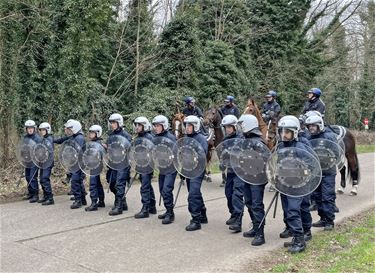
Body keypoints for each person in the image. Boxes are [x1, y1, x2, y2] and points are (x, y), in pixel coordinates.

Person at [276, 115, 313, 253]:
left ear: (295, 132)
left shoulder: (301, 146)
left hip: (299, 185)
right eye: (282, 131)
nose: (283, 135)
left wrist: (299, 172)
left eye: (287, 132)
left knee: (293, 211)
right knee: (289, 210)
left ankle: (300, 240)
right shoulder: (280, 146)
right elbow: (278, 163)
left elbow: (311, 165)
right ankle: (298, 235)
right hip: (285, 184)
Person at [238, 114, 268, 246]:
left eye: (242, 125)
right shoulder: (244, 140)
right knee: (249, 203)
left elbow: (267, 160)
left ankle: (260, 233)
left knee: (256, 204)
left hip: (257, 179)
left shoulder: (259, 143)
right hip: (247, 177)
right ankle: (255, 227)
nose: (240, 127)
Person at [305, 115, 338, 231]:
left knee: (327, 196)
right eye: (309, 126)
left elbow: (336, 152)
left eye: (313, 125)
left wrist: (327, 159)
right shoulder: (308, 138)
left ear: (319, 125)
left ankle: (329, 221)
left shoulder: (329, 136)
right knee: (316, 196)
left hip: (328, 171)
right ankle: (323, 218)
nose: (311, 128)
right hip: (315, 172)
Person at [182, 115, 209, 231]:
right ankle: (203, 213)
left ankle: (196, 220)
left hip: (197, 170)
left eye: (189, 126)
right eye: (186, 125)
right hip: (188, 170)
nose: (187, 128)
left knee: (192, 194)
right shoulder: (185, 138)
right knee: (195, 192)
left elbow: (202, 154)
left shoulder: (201, 139)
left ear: (196, 126)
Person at [152, 115, 178, 224]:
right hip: (162, 168)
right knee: (162, 190)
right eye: (155, 126)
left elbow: (176, 152)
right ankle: (168, 210)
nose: (155, 128)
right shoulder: (155, 138)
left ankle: (170, 214)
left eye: (158, 126)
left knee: (167, 190)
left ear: (164, 126)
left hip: (171, 168)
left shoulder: (170, 138)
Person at [220, 115, 244, 232]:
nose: (227, 129)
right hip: (230, 171)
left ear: (235, 127)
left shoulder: (241, 138)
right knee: (228, 193)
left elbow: (243, 154)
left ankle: (238, 221)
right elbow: (223, 155)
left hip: (240, 171)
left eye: (229, 127)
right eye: (226, 127)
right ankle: (233, 214)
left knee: (237, 194)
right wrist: (222, 162)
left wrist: (231, 152)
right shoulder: (225, 140)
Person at [106, 113, 132, 216]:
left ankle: (119, 206)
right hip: (113, 163)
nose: (112, 124)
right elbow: (109, 146)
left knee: (119, 184)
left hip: (123, 163)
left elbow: (129, 148)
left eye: (114, 122)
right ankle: (123, 201)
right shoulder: (111, 135)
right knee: (111, 183)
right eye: (111, 122)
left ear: (119, 123)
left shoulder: (126, 135)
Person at [133, 117, 157, 219]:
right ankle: (152, 206)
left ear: (145, 126)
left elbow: (153, 152)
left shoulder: (150, 137)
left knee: (144, 187)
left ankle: (145, 209)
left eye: (139, 125)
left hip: (147, 165)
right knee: (146, 185)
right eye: (136, 125)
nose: (137, 127)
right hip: (140, 165)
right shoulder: (137, 138)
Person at [85, 125, 106, 211]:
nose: (90, 134)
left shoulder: (98, 144)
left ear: (98, 133)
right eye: (90, 132)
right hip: (93, 165)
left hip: (96, 165)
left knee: (93, 183)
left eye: (92, 133)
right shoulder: (93, 143)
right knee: (97, 183)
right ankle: (101, 201)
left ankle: (94, 203)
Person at [22, 120, 41, 203]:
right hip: (27, 160)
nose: (30, 130)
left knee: (32, 177)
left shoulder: (38, 138)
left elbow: (40, 150)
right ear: (26, 129)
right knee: (27, 176)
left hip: (34, 160)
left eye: (31, 128)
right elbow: (23, 148)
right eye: (28, 128)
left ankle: (35, 195)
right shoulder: (25, 137)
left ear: (34, 129)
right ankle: (30, 193)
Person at [37, 122, 55, 205]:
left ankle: (50, 198)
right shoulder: (43, 138)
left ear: (48, 130)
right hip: (42, 162)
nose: (42, 131)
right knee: (41, 179)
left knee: (45, 179)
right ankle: (45, 196)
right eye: (41, 130)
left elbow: (47, 151)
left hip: (48, 162)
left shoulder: (49, 139)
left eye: (43, 130)